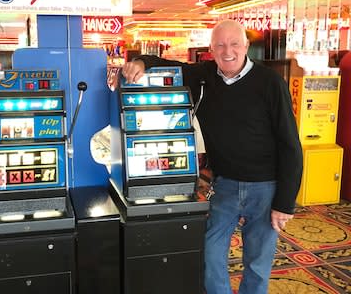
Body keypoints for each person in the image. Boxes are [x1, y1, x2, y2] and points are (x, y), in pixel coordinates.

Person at [119, 19, 303, 294]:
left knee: (257, 263)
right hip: (225, 184)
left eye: (234, 44)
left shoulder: (270, 82)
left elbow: (290, 145)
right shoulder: (203, 75)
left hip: (265, 187)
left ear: (246, 47)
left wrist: (285, 202)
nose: (227, 51)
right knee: (210, 254)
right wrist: (142, 62)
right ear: (211, 49)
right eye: (220, 45)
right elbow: (166, 65)